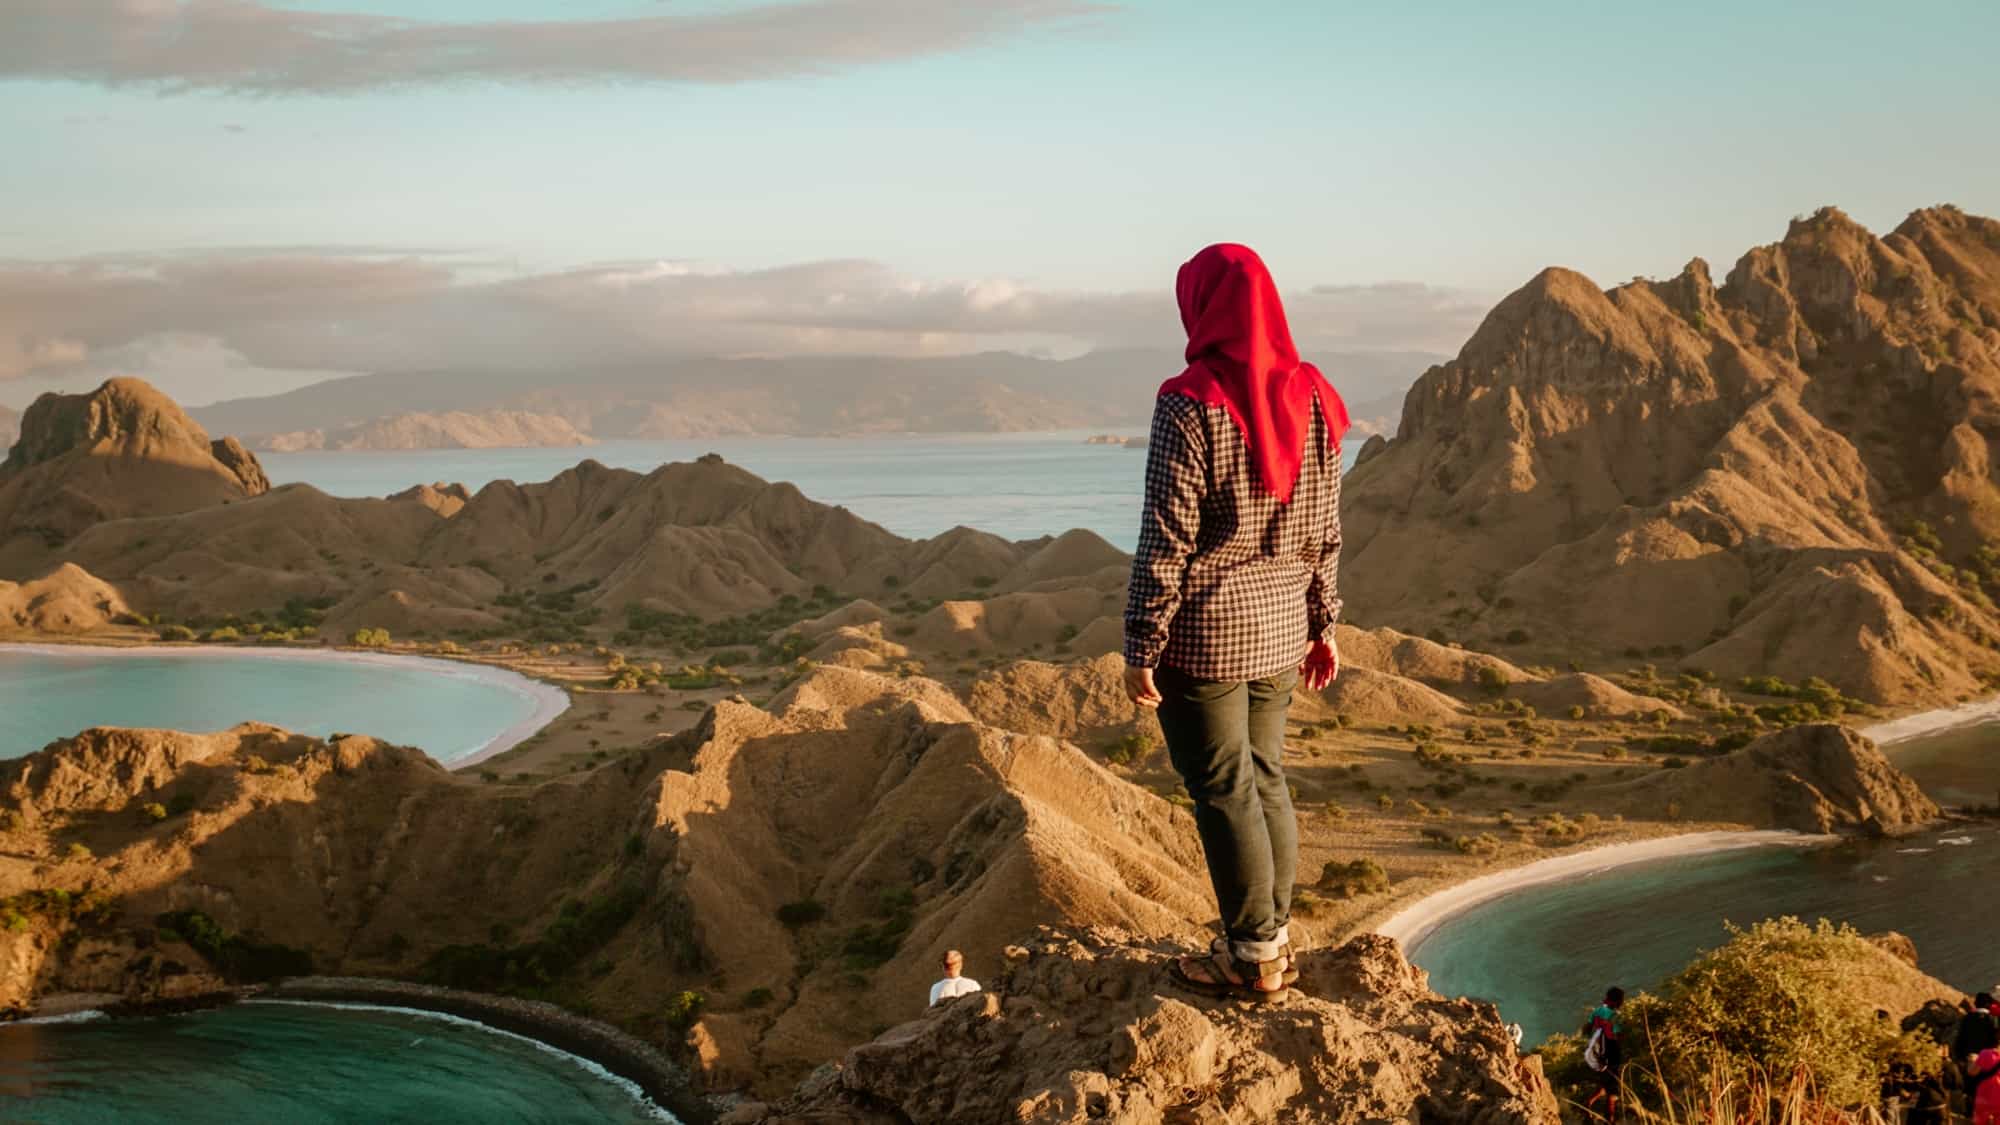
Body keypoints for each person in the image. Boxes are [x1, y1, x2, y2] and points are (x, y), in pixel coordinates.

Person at [1121, 244, 1349, 1003]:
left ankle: (1252, 956)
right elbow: (1325, 530)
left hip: (1207, 636)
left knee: (1224, 787)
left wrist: (1141, 643)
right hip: (1282, 629)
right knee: (1264, 776)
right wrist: (1324, 623)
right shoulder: (1313, 396)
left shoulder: (1189, 403)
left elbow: (1166, 539)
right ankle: (1271, 937)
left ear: (1202, 307)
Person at [1582, 987, 1625, 1121]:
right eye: (1621, 1000)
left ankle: (1587, 1106)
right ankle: (1609, 1120)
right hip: (1610, 1057)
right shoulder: (1614, 1016)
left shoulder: (1598, 1011)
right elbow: (1617, 1038)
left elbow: (1586, 1030)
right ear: (1617, 1001)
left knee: (1603, 1088)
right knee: (1613, 1094)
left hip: (1597, 1055)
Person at [1973, 1046, 2000, 1125]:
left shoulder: (1984, 1053)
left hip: (1984, 1096)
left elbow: (1972, 1072)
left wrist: (1974, 1061)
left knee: (1981, 1121)